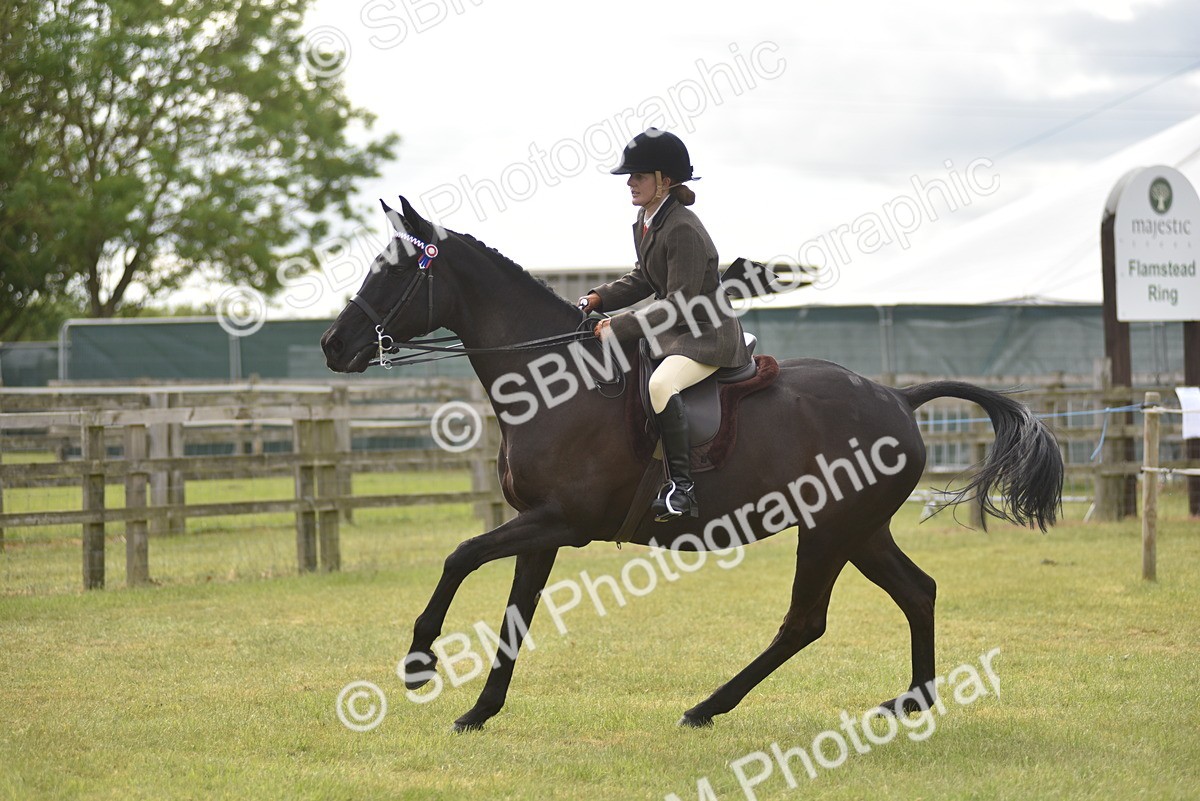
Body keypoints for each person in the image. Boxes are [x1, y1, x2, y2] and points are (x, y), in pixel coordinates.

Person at [578, 128, 751, 521]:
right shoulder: (649, 219)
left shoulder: (684, 228)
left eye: (638, 176)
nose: (629, 183)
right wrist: (598, 298)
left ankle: (682, 490)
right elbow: (644, 278)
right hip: (678, 331)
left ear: (664, 182)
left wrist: (618, 327)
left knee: (660, 384)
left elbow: (679, 303)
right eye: (631, 176)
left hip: (705, 335)